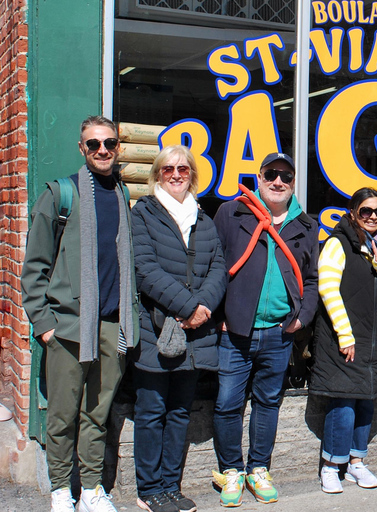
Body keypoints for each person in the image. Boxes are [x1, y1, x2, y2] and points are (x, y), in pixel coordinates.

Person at [21, 116, 139, 512]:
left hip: (112, 325)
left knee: (97, 414)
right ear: (82, 149)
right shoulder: (60, 195)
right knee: (61, 416)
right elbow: (34, 266)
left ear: (118, 147)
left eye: (109, 143)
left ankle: (91, 489)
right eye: (94, 145)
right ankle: (60, 488)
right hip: (69, 327)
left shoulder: (122, 194)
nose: (102, 150)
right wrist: (45, 326)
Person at [212, 152, 319, 506]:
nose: (278, 182)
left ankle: (258, 469)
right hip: (235, 332)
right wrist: (219, 316)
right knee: (228, 403)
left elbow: (313, 278)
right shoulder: (232, 213)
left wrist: (302, 317)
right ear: (259, 177)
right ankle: (231, 471)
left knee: (267, 404)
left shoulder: (305, 225)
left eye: (285, 177)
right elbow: (213, 266)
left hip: (278, 333)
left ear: (292, 185)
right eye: (271, 174)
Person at [130, 145, 227, 512]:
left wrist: (202, 309)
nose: (175, 174)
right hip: (157, 329)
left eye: (183, 170)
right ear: (157, 175)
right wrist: (189, 306)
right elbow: (144, 269)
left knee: (180, 412)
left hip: (195, 334)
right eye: (168, 169)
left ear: (192, 176)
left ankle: (171, 486)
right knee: (151, 410)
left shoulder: (203, 219)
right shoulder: (143, 214)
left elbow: (218, 267)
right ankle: (148, 489)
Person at [310, 188, 377, 494]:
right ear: (353, 213)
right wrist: (345, 334)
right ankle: (331, 466)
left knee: (366, 401)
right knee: (343, 403)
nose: (373, 216)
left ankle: (355, 462)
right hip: (345, 339)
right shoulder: (339, 243)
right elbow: (327, 288)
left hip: (374, 339)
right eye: (366, 211)